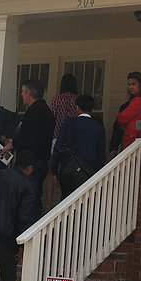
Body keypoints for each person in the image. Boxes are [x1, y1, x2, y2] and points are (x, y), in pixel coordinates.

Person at [51, 94, 106, 199]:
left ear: (77, 108)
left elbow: (58, 148)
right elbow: (100, 154)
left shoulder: (68, 123)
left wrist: (55, 171)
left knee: (66, 201)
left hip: (67, 169)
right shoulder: (98, 128)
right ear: (92, 109)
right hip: (88, 171)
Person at [12, 78, 55, 209]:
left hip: (30, 162)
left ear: (29, 93)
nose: (21, 94)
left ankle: (29, 226)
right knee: (35, 194)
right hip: (42, 160)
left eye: (23, 92)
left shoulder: (33, 111)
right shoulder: (47, 111)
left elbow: (28, 137)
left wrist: (13, 143)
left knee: (28, 197)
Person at [45, 74, 78, 207]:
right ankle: (68, 203)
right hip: (72, 141)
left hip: (55, 138)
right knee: (70, 172)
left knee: (50, 172)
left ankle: (49, 204)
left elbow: (51, 118)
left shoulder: (56, 99)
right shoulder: (77, 100)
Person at [116, 71, 141, 150]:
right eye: (129, 84)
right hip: (138, 139)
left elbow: (121, 118)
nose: (130, 87)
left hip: (132, 139)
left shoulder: (139, 101)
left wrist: (124, 123)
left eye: (134, 84)